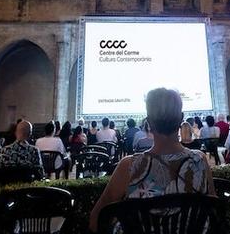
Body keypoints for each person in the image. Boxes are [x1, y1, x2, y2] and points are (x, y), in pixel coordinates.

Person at [89, 88, 215, 233]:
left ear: (149, 122)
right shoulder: (199, 160)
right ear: (181, 119)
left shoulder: (129, 166)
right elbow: (213, 213)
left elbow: (96, 219)